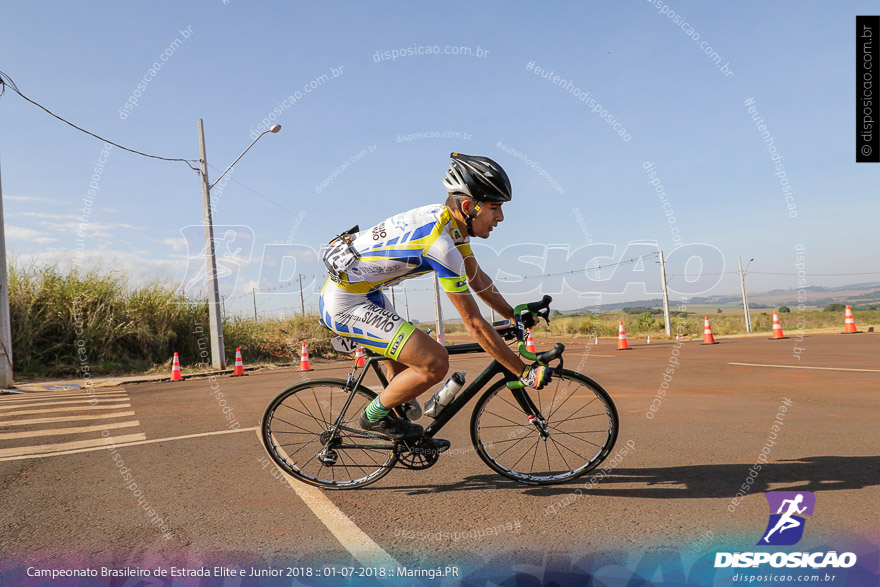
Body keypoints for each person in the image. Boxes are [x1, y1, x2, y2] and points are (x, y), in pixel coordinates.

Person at [318, 152, 552, 444]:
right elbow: (475, 324)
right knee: (435, 362)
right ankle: (373, 416)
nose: (501, 217)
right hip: (345, 304)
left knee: (406, 381)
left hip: (367, 293)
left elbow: (477, 279)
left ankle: (407, 436)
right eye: (495, 207)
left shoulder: (449, 223)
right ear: (468, 206)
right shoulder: (439, 245)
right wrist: (523, 371)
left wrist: (511, 314)